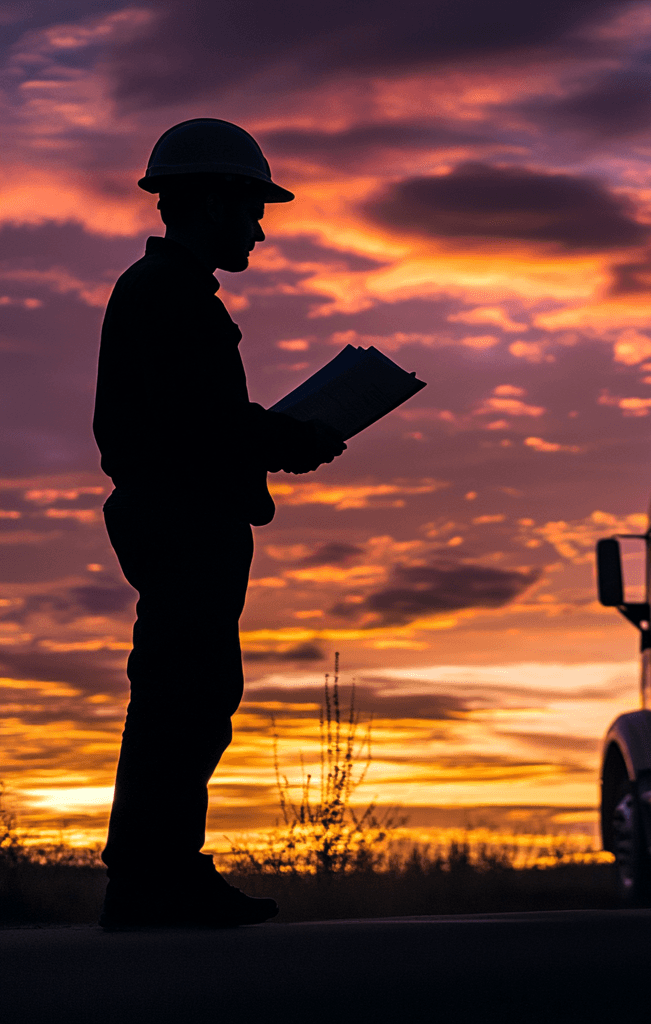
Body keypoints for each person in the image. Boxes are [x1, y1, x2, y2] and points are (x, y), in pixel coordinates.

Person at [93, 119, 346, 928]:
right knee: (183, 695)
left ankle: (156, 872)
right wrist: (289, 439)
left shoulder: (167, 294)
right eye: (250, 208)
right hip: (183, 520)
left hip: (179, 516)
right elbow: (200, 422)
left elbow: (199, 419)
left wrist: (273, 441)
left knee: (187, 692)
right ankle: (153, 878)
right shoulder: (167, 296)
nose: (260, 228)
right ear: (209, 203)